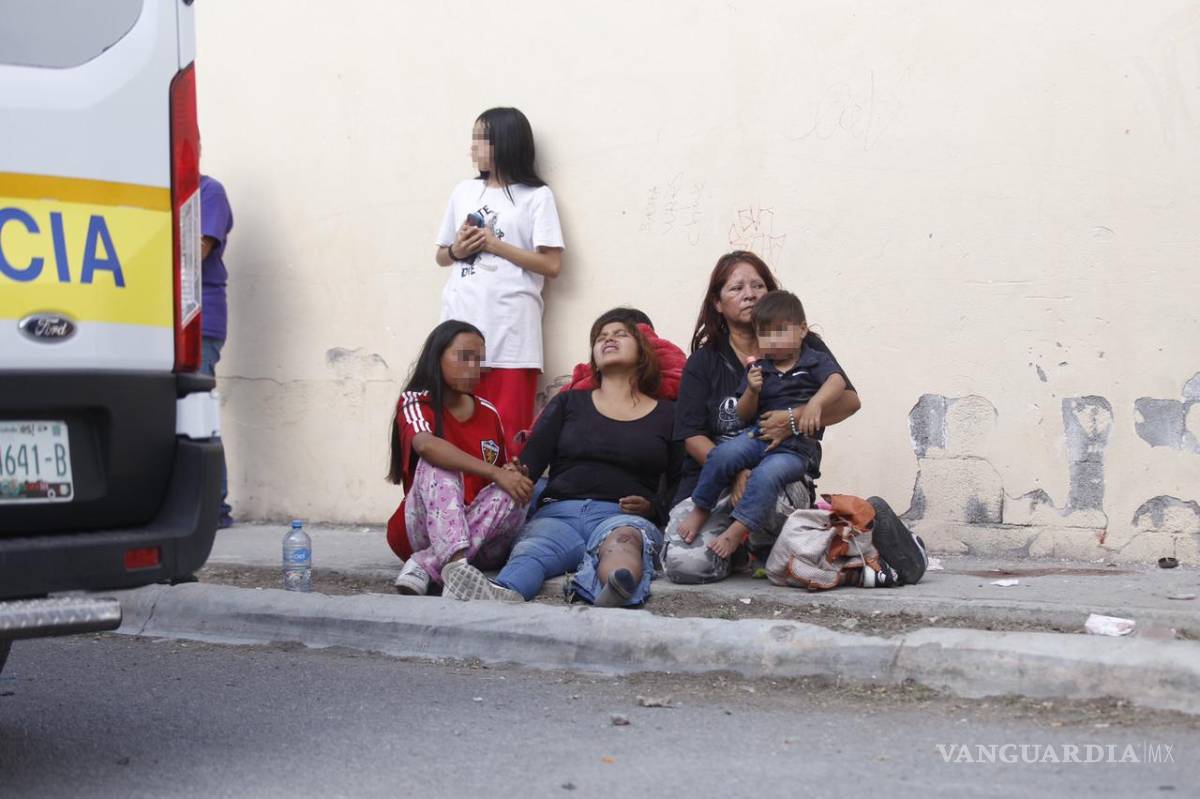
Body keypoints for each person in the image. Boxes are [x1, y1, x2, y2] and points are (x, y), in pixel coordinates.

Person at [441, 310, 682, 607]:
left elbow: (682, 479)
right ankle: (503, 592)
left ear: (643, 351)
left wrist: (653, 508)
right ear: (593, 357)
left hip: (621, 516)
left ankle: (615, 591)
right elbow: (530, 464)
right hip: (558, 512)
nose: (608, 339)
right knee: (531, 551)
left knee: (624, 544)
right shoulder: (569, 403)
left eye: (620, 334)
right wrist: (513, 476)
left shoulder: (667, 414)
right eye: (601, 337)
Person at [662, 251, 861, 583]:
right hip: (718, 475)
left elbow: (849, 401)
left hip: (782, 471)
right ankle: (735, 544)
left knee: (773, 497)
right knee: (688, 567)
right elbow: (691, 434)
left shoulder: (804, 344)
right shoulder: (704, 361)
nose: (749, 294)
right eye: (736, 288)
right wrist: (736, 470)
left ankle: (758, 543)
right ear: (717, 303)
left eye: (758, 285)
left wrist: (794, 418)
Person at [677, 290, 847, 558]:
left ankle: (737, 531)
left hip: (796, 449)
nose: (773, 340)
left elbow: (838, 383)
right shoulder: (761, 368)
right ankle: (701, 507)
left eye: (781, 331)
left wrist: (814, 405)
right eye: (765, 334)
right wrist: (752, 392)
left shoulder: (813, 359)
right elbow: (743, 415)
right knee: (724, 454)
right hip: (759, 435)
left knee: (767, 475)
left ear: (802, 330)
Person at [435, 107, 564, 452]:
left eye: (481, 139)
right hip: (459, 324)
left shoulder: (537, 197)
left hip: (511, 333)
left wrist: (494, 244)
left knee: (507, 437)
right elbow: (440, 255)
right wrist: (459, 250)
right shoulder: (464, 191)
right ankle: (453, 506)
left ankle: (505, 507)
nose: (472, 148)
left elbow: (551, 265)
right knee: (453, 431)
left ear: (505, 143)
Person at [385, 321, 534, 595]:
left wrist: (512, 474)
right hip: (421, 531)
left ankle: (428, 566)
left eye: (479, 360)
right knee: (438, 462)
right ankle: (452, 563)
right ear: (436, 356)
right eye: (464, 357)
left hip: (479, 540)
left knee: (515, 490)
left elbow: (499, 476)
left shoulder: (489, 412)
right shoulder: (416, 401)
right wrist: (496, 473)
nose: (473, 367)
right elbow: (426, 446)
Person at [200, 174, 234, 529]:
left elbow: (197, 250)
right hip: (157, 320)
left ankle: (214, 506)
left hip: (200, 321)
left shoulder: (208, 191)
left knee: (199, 415)